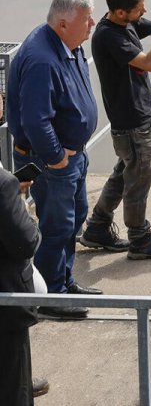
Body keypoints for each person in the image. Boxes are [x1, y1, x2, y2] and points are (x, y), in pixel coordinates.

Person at [6, 0, 100, 317]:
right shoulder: (41, 59)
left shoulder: (67, 45)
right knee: (56, 225)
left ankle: (64, 279)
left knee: (74, 216)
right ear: (62, 23)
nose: (92, 24)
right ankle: (50, 296)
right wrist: (56, 157)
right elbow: (35, 118)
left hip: (74, 155)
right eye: (86, 19)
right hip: (54, 162)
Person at [80, 0, 151, 260]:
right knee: (140, 177)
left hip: (135, 116)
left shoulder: (125, 22)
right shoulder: (109, 36)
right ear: (119, 12)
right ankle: (140, 239)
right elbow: (149, 62)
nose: (144, 12)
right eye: (139, 10)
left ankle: (98, 227)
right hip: (130, 119)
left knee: (124, 172)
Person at [0, 153, 40, 403]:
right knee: (14, 391)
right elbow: (26, 242)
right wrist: (23, 210)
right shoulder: (3, 184)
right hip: (5, 308)